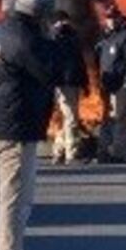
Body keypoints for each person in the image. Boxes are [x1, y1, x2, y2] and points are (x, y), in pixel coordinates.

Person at [0, 0, 66, 250]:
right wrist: (54, 41)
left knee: (3, 197)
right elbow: (50, 72)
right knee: (16, 198)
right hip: (16, 125)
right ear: (41, 14)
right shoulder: (26, 39)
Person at [96, 4, 126, 164]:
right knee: (106, 119)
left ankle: (119, 153)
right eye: (108, 18)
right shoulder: (105, 37)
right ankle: (102, 151)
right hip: (106, 85)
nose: (111, 21)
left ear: (119, 17)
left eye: (114, 17)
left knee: (121, 119)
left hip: (121, 84)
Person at [50, 11, 83, 164]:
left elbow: (79, 61)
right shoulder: (53, 38)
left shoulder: (73, 38)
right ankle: (71, 153)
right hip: (63, 83)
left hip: (72, 82)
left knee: (67, 118)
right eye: (62, 21)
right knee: (70, 118)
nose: (65, 24)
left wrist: (85, 82)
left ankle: (58, 151)